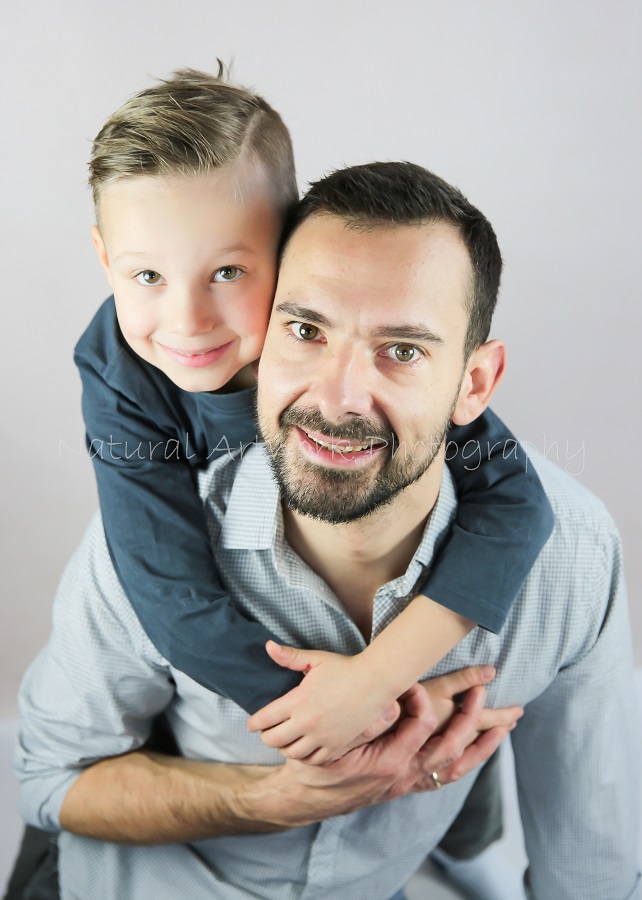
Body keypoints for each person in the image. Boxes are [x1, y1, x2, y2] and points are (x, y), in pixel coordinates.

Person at [15, 162, 640, 899]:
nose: (339, 399)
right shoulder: (151, 539)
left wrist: (377, 685)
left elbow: (591, 868)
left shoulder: (572, 556)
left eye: (402, 351)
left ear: (474, 383)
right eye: (306, 330)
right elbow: (48, 782)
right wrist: (274, 799)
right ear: (264, 334)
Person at [75, 66, 553, 760]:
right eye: (147, 275)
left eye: (228, 272)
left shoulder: (350, 360)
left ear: (290, 247)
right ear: (105, 258)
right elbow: (169, 593)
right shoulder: (116, 367)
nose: (186, 321)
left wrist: (379, 677)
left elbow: (517, 504)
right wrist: (363, 715)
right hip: (225, 707)